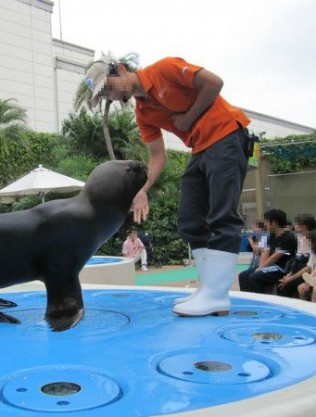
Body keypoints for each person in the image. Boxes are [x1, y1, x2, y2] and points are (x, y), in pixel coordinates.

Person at [85, 55, 252, 316]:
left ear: (120, 69)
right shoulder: (143, 113)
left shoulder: (164, 70)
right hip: (200, 149)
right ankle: (209, 290)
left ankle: (218, 295)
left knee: (221, 216)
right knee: (190, 220)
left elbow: (215, 83)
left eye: (109, 87)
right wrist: (141, 190)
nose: (112, 96)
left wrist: (189, 116)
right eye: (105, 95)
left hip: (227, 134)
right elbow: (158, 156)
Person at [239, 209, 297, 294]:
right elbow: (265, 252)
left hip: (282, 268)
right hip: (271, 266)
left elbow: (275, 257)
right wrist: (260, 267)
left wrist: (260, 269)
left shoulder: (289, 237)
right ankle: (249, 302)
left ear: (274, 222)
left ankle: (260, 303)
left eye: (266, 221)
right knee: (243, 275)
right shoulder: (272, 235)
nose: (265, 224)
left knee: (255, 277)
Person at [277, 213, 316, 298]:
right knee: (282, 282)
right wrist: (289, 274)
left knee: (287, 285)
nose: (295, 226)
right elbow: (298, 260)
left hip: (307, 272)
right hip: (302, 270)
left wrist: (291, 278)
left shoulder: (311, 240)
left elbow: (309, 266)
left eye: (297, 224)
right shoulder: (301, 238)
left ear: (304, 227)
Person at [298, 230, 316, 302]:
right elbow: (313, 268)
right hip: (314, 277)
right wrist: (307, 283)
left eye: (309, 241)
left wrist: (308, 283)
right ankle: (305, 307)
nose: (307, 243)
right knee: (301, 288)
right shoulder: (313, 252)